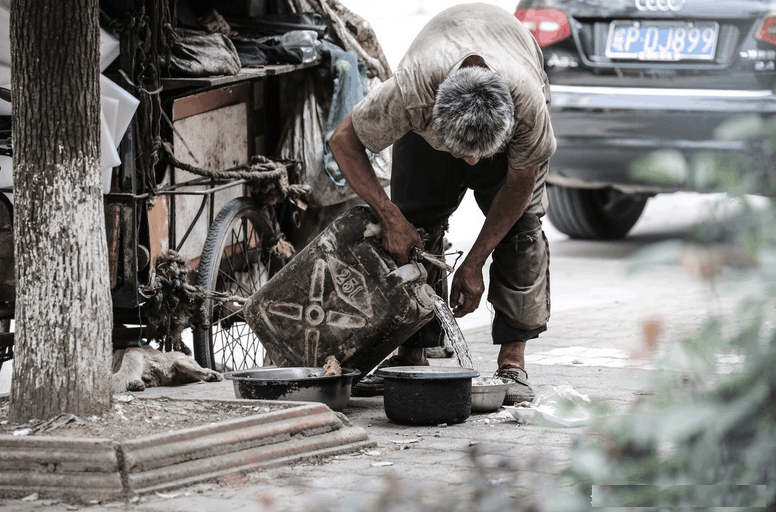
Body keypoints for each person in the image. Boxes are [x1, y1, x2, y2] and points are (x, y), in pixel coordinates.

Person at [329, 3, 555, 404]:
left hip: (510, 87)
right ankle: (411, 352)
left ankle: (513, 363)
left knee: (522, 234)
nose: (469, 164)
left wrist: (474, 262)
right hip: (432, 97)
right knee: (413, 227)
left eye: (478, 156)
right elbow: (343, 142)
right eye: (460, 153)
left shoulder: (528, 108)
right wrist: (391, 217)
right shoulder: (411, 93)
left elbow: (519, 189)